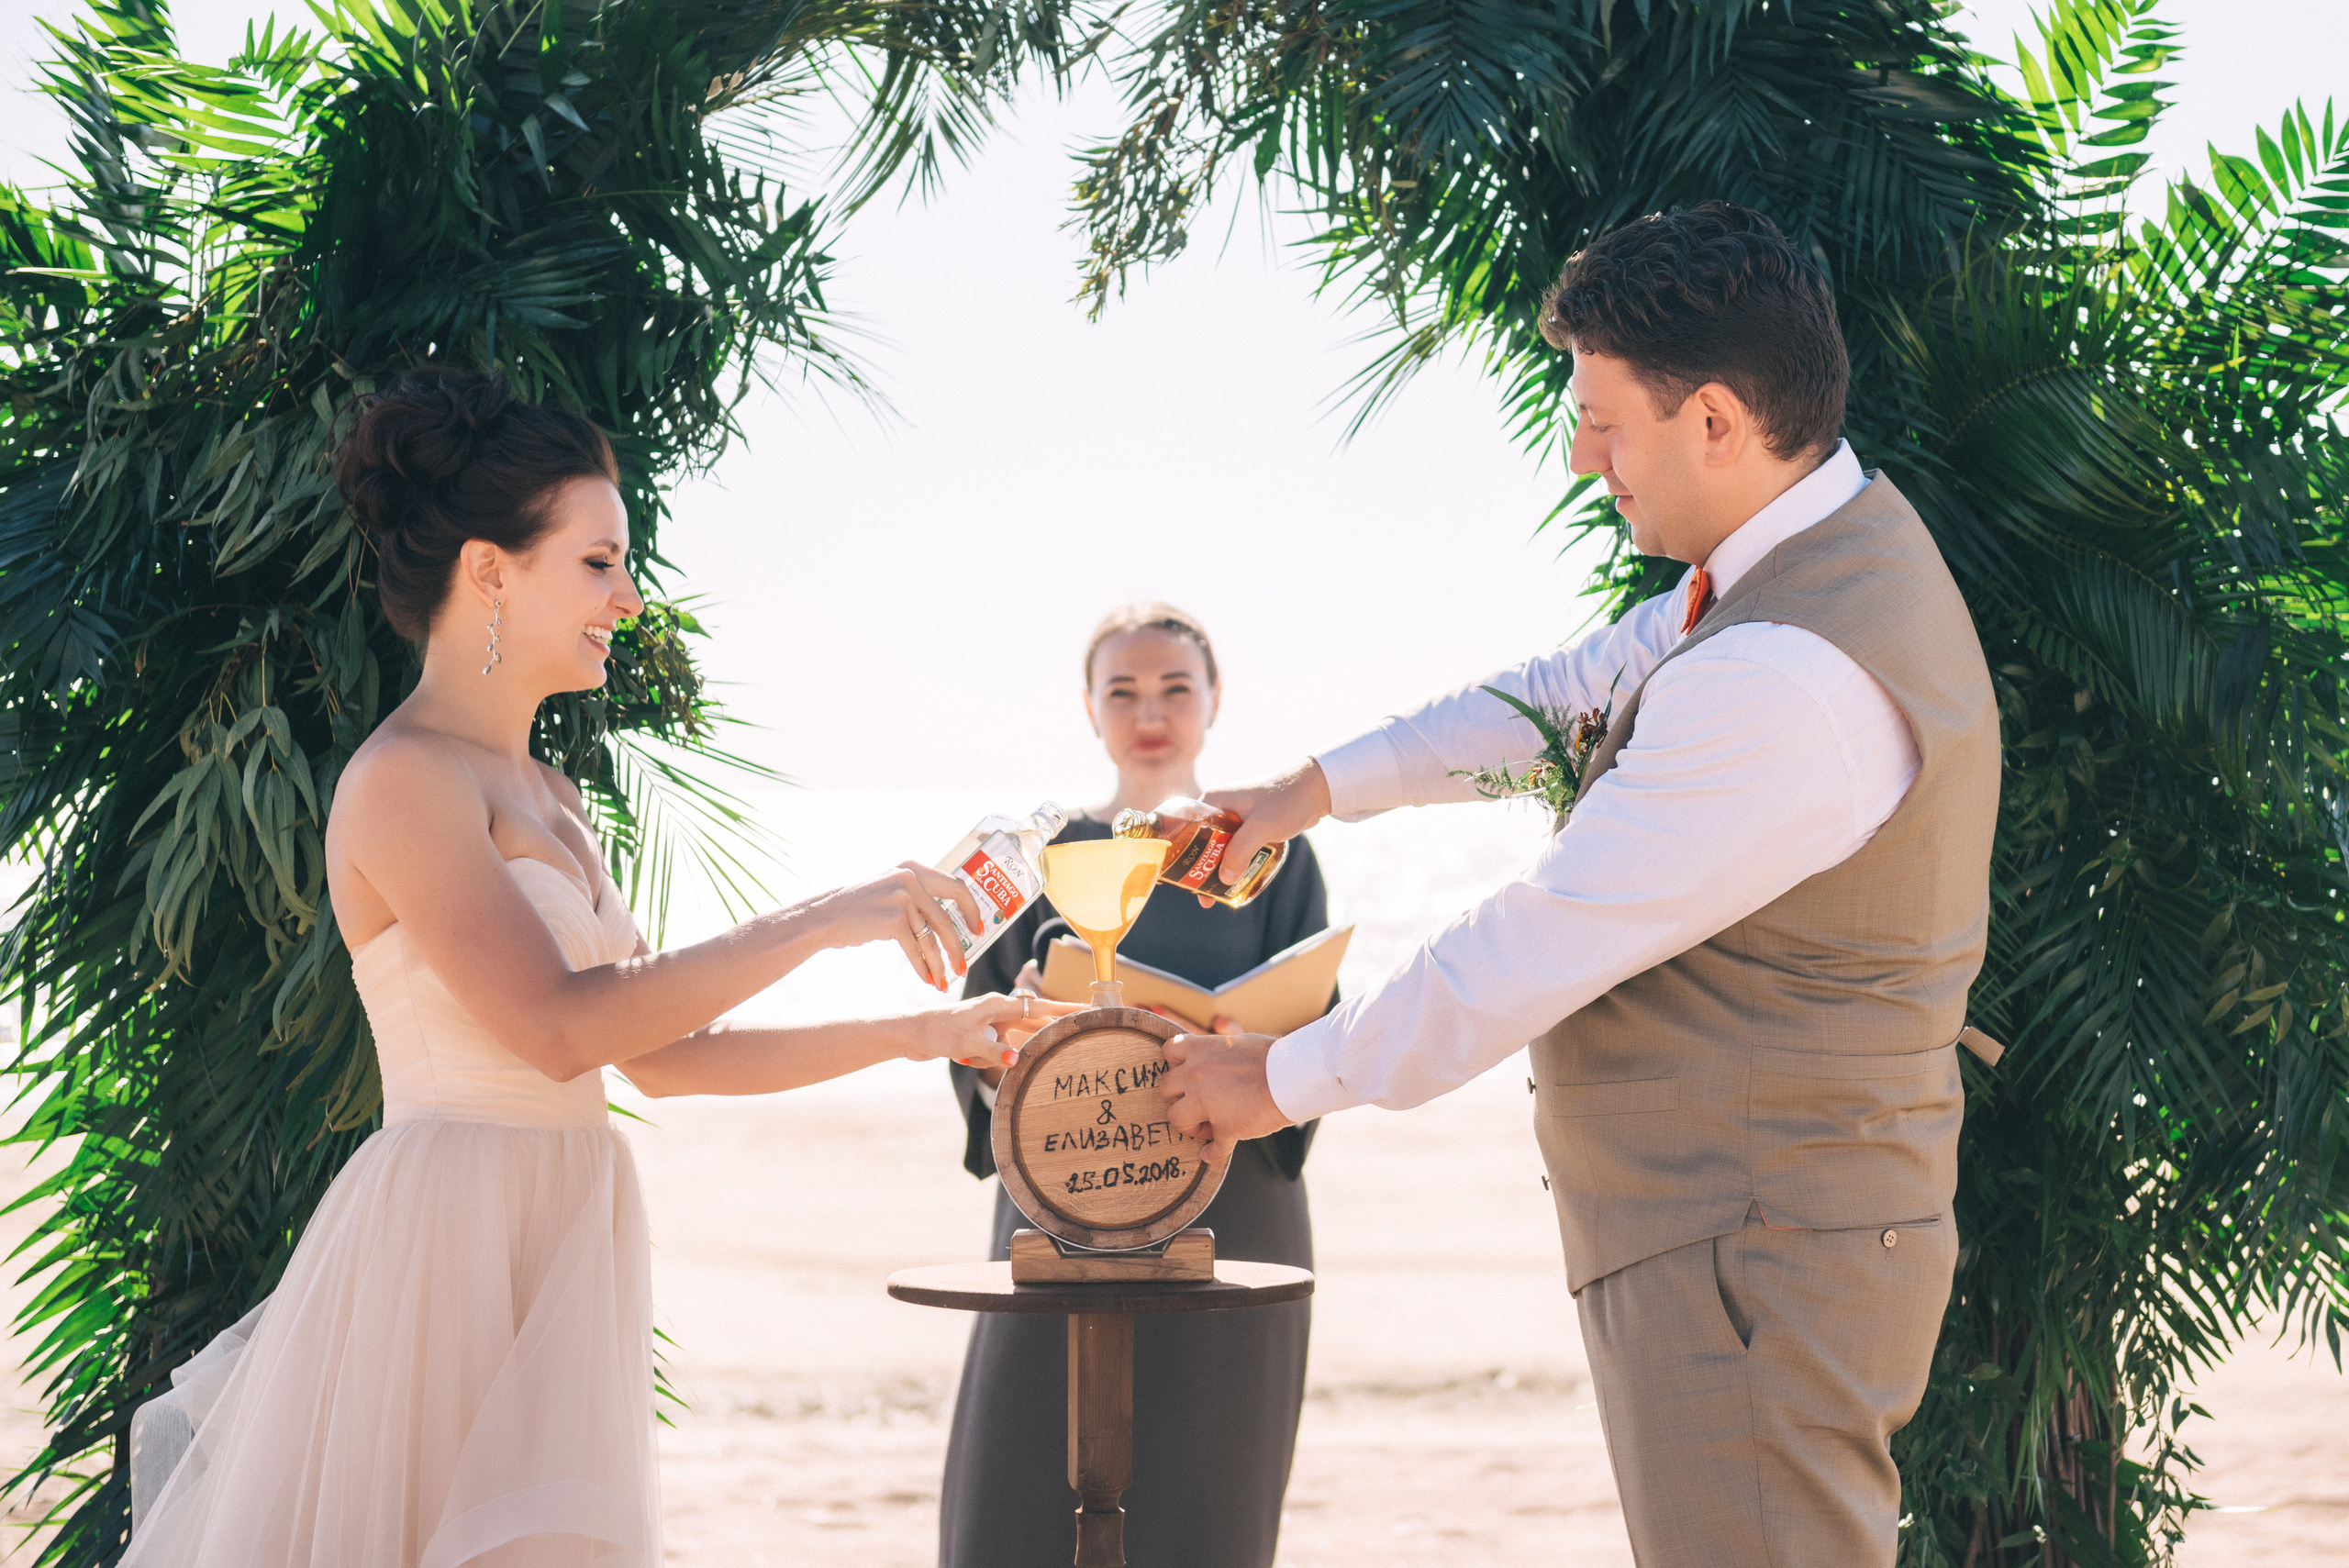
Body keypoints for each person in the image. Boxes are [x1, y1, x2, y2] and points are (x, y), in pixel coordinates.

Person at [1158, 204, 2002, 1567]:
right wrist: (1313, 788)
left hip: (1751, 1256)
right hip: (1746, 1237)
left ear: (1716, 423)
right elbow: (1565, 693)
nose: (1581, 455)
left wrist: (1279, 1079)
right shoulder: (1797, 561)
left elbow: (1542, 940)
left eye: (1604, 420)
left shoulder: (1782, 675)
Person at [121, 364, 1076, 1568]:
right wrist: (829, 911)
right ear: (489, 571)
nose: (627, 598)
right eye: (598, 562)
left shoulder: (556, 798)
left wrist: (927, 1034)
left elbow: (662, 1060)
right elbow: (562, 1027)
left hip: (564, 1223)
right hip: (446, 1235)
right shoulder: (405, 779)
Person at [937, 603, 1332, 1568]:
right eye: (1122, 690)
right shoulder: (1038, 855)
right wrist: (1015, 1027)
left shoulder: (1268, 854)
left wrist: (1261, 1044)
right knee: (1019, 1481)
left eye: (1173, 688)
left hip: (1232, 1196)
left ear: (1213, 701)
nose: (1148, 711)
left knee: (1209, 1491)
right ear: (1089, 707)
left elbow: (1317, 1028)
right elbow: (967, 1035)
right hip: (1059, 1194)